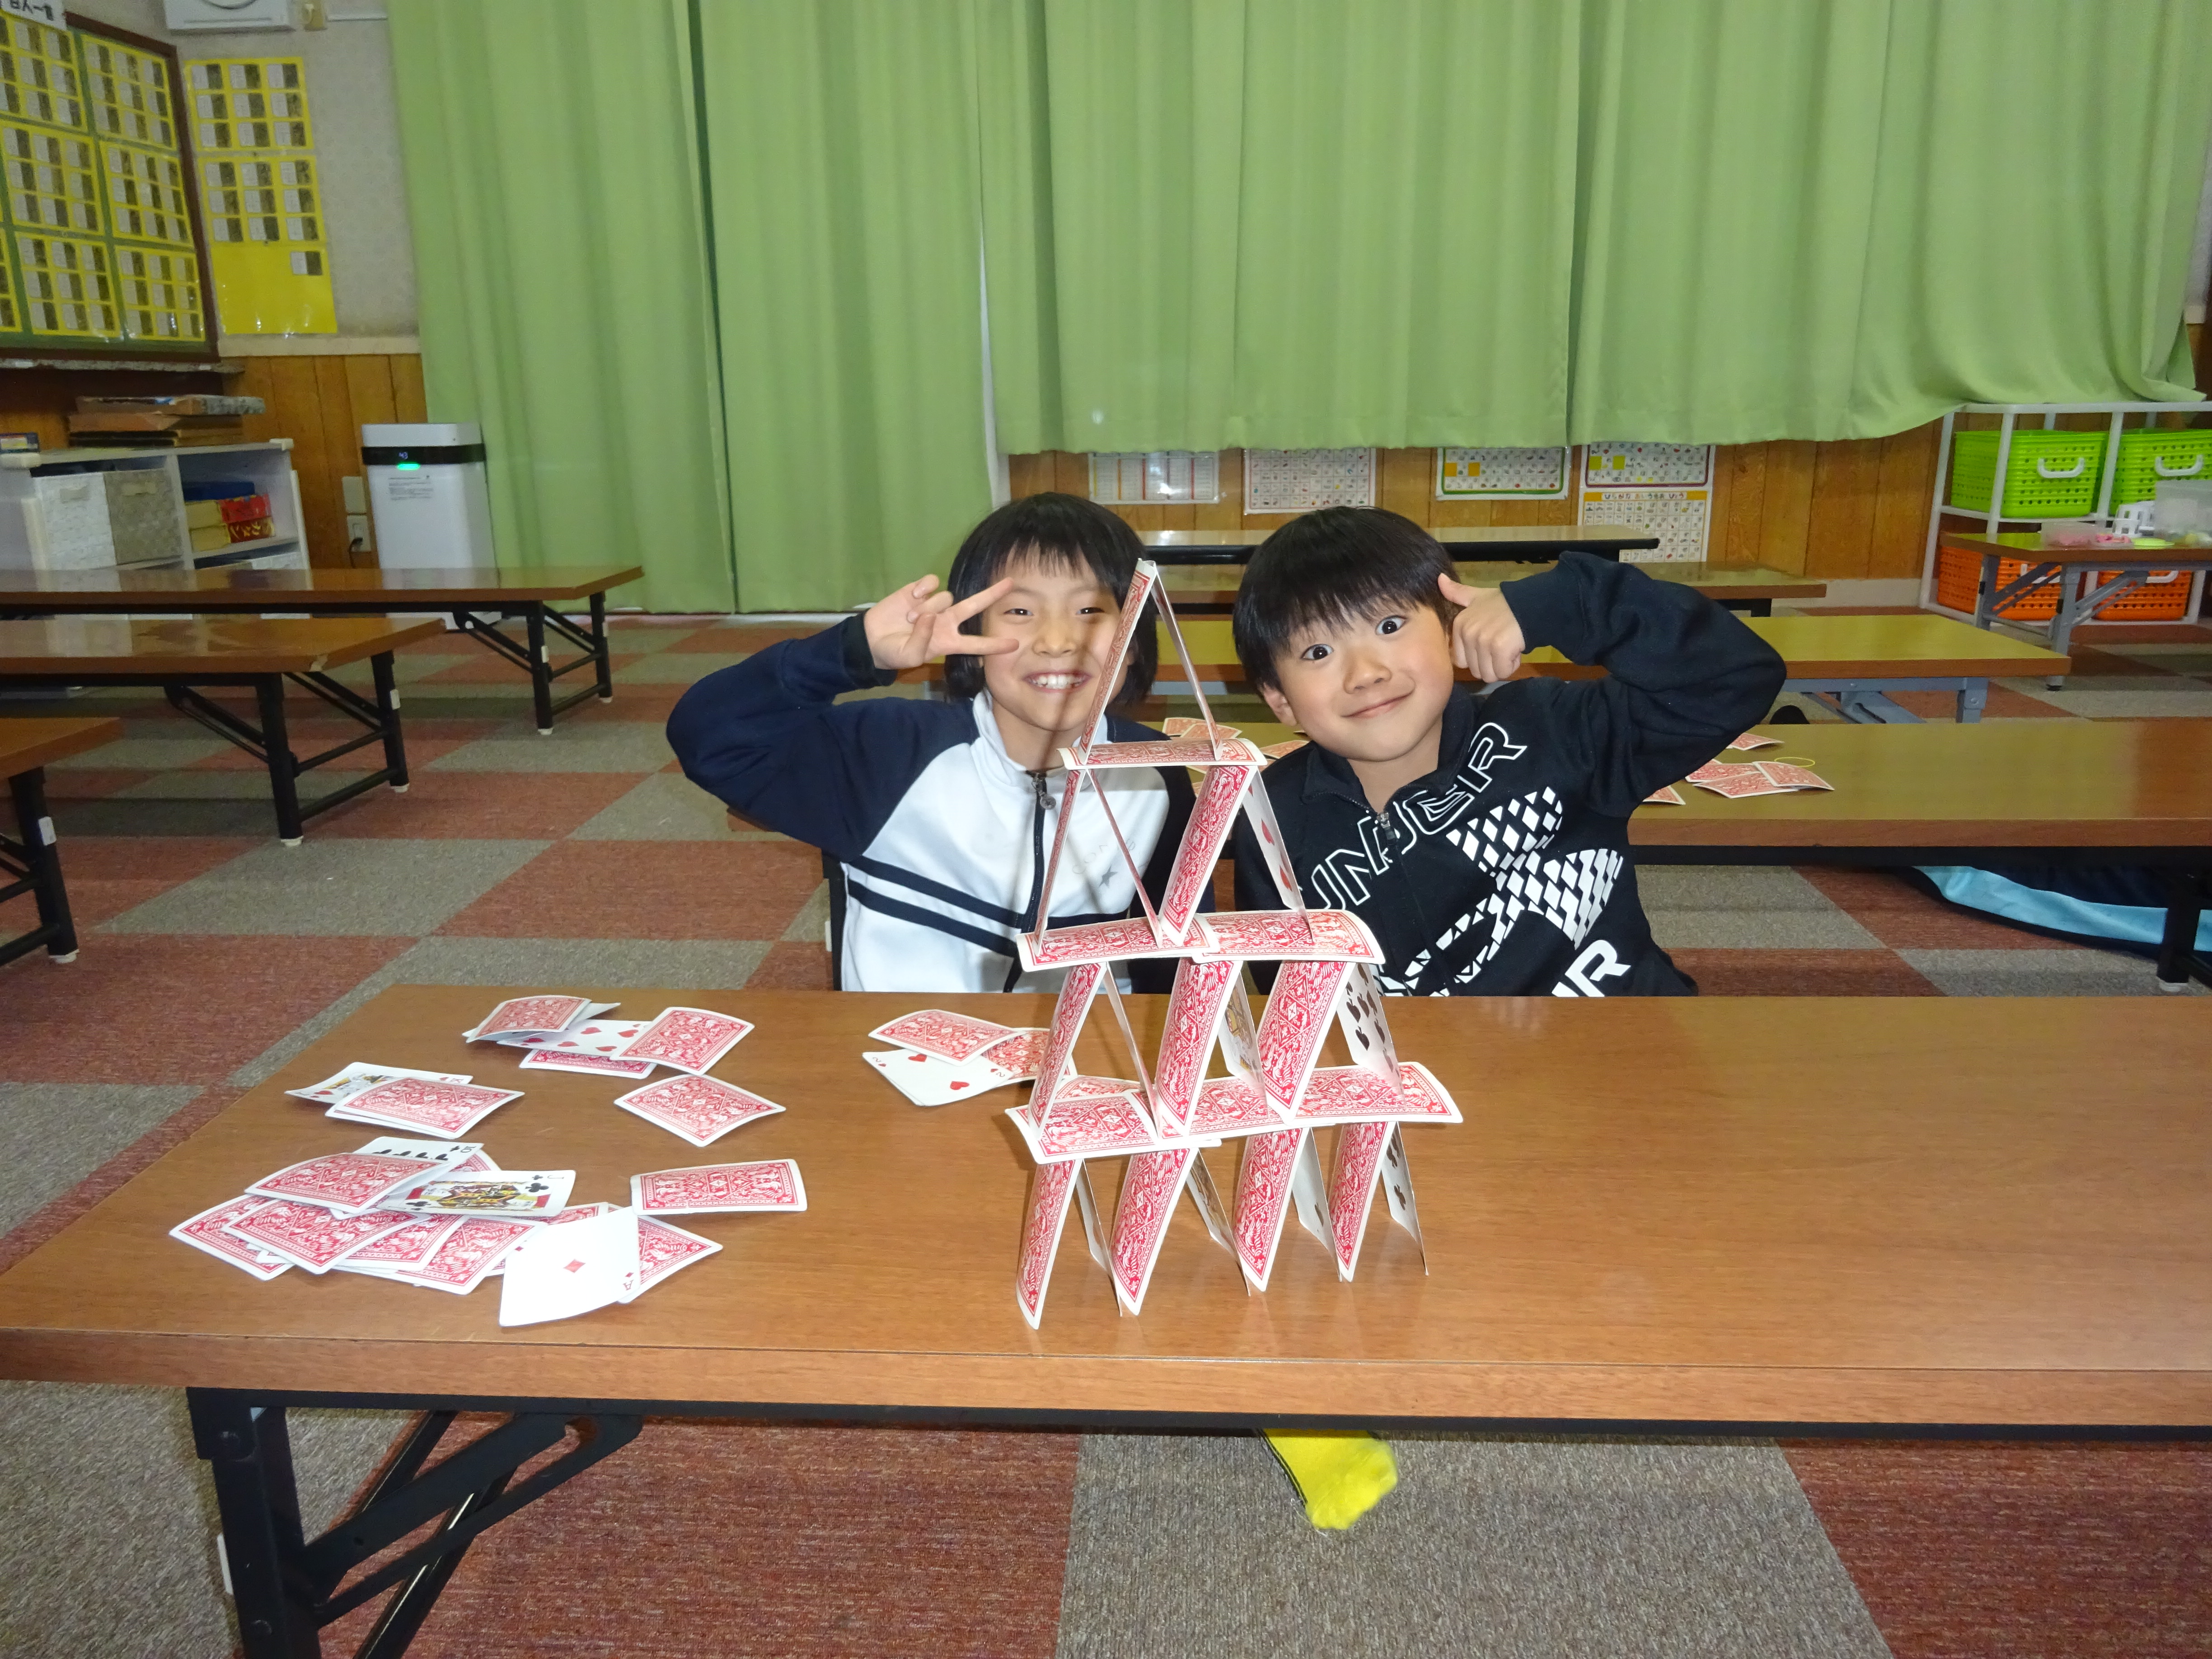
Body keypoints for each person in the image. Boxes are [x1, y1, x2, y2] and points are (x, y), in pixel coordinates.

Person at [1231, 506, 1786, 996]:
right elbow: (1289, 989)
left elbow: (1737, 677)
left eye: (1389, 624)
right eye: (1318, 651)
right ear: (1280, 699)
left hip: (1622, 1040)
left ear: (1452, 626)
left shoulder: (1555, 729)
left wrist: (1563, 602)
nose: (1366, 673)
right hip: (1439, 1068)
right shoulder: (1270, 814)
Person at [667, 493, 1197, 992]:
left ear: (1133, 642)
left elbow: (1176, 955)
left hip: (1084, 1052)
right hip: (897, 1046)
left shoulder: (1157, 773)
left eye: (1090, 611)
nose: (1058, 641)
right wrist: (852, 652)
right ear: (971, 637)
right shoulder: (889, 753)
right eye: (1020, 611)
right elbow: (709, 737)